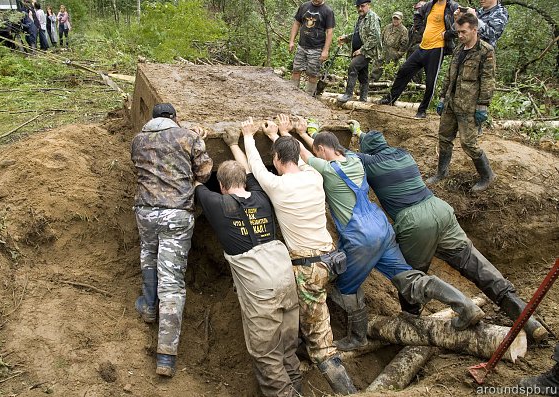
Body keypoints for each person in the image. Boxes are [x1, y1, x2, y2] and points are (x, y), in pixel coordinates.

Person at [292, 119, 485, 354]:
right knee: (409, 277)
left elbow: (304, 154)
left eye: (319, 151)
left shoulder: (330, 170)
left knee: (346, 287)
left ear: (322, 151)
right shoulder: (354, 160)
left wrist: (289, 134)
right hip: (382, 229)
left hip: (361, 237)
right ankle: (464, 305)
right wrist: (308, 132)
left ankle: (357, 337)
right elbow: (323, 149)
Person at [349, 123, 548, 342]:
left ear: (367, 151)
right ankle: (528, 320)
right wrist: (359, 132)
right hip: (440, 209)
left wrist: (308, 133)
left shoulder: (367, 161)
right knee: (476, 266)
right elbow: (372, 142)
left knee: (412, 278)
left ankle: (413, 325)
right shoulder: (403, 154)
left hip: (415, 222)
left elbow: (339, 155)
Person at [242, 116, 357, 395]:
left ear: (278, 159)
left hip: (308, 270)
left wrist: (248, 135)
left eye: (276, 158)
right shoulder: (314, 176)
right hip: (331, 260)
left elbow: (256, 167)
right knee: (314, 314)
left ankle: (350, 392)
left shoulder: (277, 186)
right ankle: (312, 338)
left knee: (321, 343)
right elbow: (297, 159)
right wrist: (278, 135)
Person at [195, 131, 301, 397]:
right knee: (288, 348)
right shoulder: (262, 196)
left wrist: (197, 141)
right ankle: (298, 386)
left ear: (220, 186)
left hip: (260, 287)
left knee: (266, 355)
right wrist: (233, 144)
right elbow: (252, 171)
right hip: (286, 278)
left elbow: (194, 180)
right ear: (244, 181)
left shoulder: (217, 204)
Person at [131, 103, 213, 377]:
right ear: (174, 118)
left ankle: (149, 307)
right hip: (176, 214)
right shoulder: (188, 136)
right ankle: (166, 355)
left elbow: (138, 169)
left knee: (148, 253)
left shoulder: (138, 139)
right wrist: (195, 138)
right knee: (172, 280)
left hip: (145, 211)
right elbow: (204, 173)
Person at [426, 13, 496, 192]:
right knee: (444, 138)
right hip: (451, 102)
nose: (460, 35)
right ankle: (441, 172)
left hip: (469, 106)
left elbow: (488, 80)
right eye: (458, 32)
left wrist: (483, 105)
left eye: (463, 32)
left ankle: (487, 176)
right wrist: (442, 98)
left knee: (469, 144)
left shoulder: (485, 51)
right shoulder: (458, 49)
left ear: (474, 30)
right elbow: (449, 77)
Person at [379, 0, 459, 119]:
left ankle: (422, 110)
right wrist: (422, 30)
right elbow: (417, 16)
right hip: (423, 47)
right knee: (404, 70)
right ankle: (391, 98)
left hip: (437, 48)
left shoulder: (452, 6)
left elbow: (463, 23)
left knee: (430, 81)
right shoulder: (430, 4)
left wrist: (448, 34)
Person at [336, 0, 381, 103]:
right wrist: (346, 38)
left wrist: (362, 50)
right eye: (358, 6)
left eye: (362, 6)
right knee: (363, 75)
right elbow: (358, 34)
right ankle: (363, 99)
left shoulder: (372, 17)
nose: (360, 8)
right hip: (359, 50)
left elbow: (375, 37)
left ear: (368, 5)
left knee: (353, 66)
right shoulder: (361, 17)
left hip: (367, 51)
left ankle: (348, 95)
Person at [289, 0, 336, 96]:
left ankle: (308, 98)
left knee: (312, 74)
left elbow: (329, 32)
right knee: (296, 70)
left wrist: (325, 50)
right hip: (301, 45)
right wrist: (291, 41)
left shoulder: (328, 11)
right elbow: (296, 24)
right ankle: (292, 95)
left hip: (316, 48)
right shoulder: (304, 6)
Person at [370, 11, 408, 83]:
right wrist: (379, 48)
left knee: (390, 68)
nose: (395, 20)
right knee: (378, 64)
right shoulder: (388, 27)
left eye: (397, 19)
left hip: (393, 51)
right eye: (394, 18)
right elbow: (381, 37)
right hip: (384, 49)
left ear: (401, 20)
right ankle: (372, 81)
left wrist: (398, 54)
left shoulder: (403, 30)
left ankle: (388, 84)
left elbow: (404, 44)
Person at [406, 1, 427, 84]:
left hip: (420, 51)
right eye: (416, 9)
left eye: (419, 9)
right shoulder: (413, 26)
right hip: (411, 51)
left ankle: (417, 86)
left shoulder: (427, 25)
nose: (417, 12)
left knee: (417, 71)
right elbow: (409, 40)